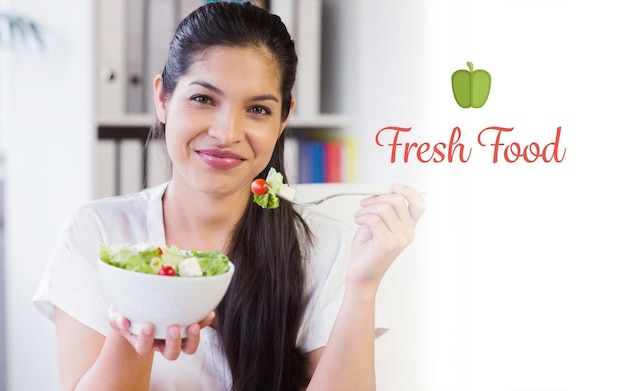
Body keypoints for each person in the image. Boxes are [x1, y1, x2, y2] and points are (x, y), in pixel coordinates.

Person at [33, 2, 426, 390]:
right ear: (163, 99)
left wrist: (362, 287)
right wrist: (136, 324)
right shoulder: (98, 233)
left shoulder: (325, 247)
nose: (227, 133)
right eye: (204, 99)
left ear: (284, 117)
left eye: (257, 109)